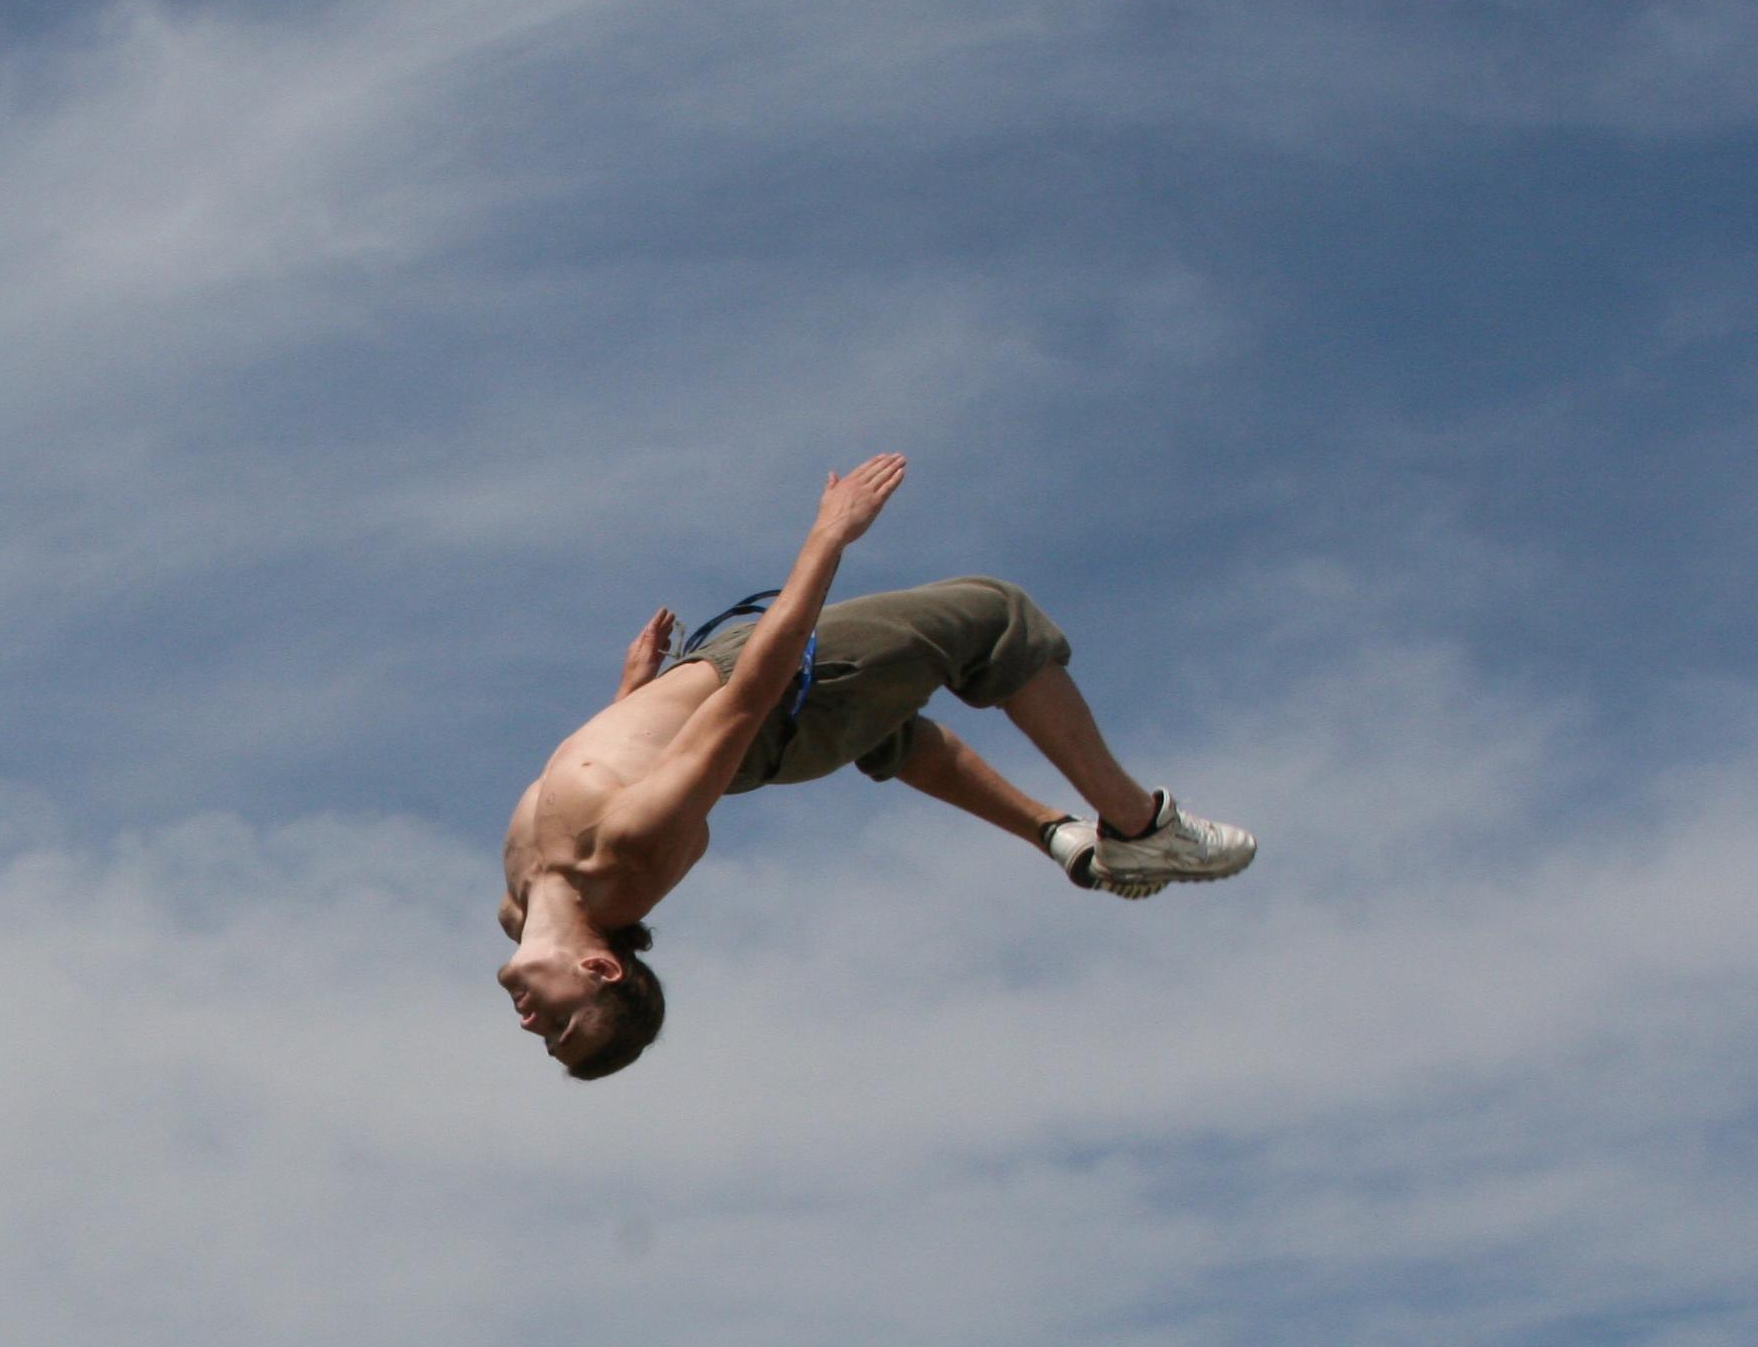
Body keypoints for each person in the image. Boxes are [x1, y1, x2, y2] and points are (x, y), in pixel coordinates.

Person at [496, 454, 1256, 1079]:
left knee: (879, 728)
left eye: (547, 1032)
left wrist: (635, 690)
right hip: (752, 694)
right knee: (993, 615)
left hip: (719, 708)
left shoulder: (521, 904)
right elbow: (753, 693)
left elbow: (606, 761)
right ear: (601, 970)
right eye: (561, 1025)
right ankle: (1137, 826)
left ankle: (1060, 839)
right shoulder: (620, 849)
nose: (531, 1023)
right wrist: (829, 535)